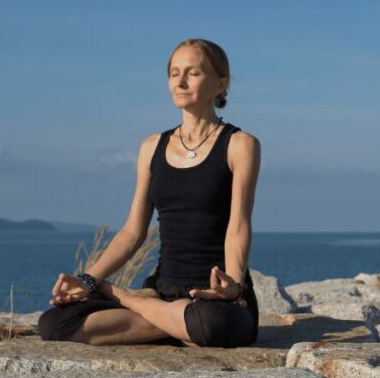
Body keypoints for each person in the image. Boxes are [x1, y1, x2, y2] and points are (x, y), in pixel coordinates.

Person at [38, 39, 261, 348]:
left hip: (215, 300)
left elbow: (238, 225)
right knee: (54, 323)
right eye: (173, 73)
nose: (180, 82)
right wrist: (88, 280)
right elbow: (133, 230)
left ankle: (125, 298)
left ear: (220, 83)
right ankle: (174, 322)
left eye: (193, 73)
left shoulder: (240, 145)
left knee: (217, 325)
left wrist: (233, 288)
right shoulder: (152, 147)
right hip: (163, 290)